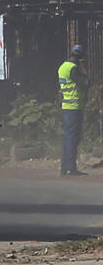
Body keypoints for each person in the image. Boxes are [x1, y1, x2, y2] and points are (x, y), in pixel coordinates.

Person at [59, 44, 89, 176]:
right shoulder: (74, 68)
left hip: (66, 105)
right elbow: (85, 84)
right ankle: (71, 168)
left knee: (67, 137)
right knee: (72, 138)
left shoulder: (63, 67)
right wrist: (83, 68)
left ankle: (64, 168)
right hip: (74, 106)